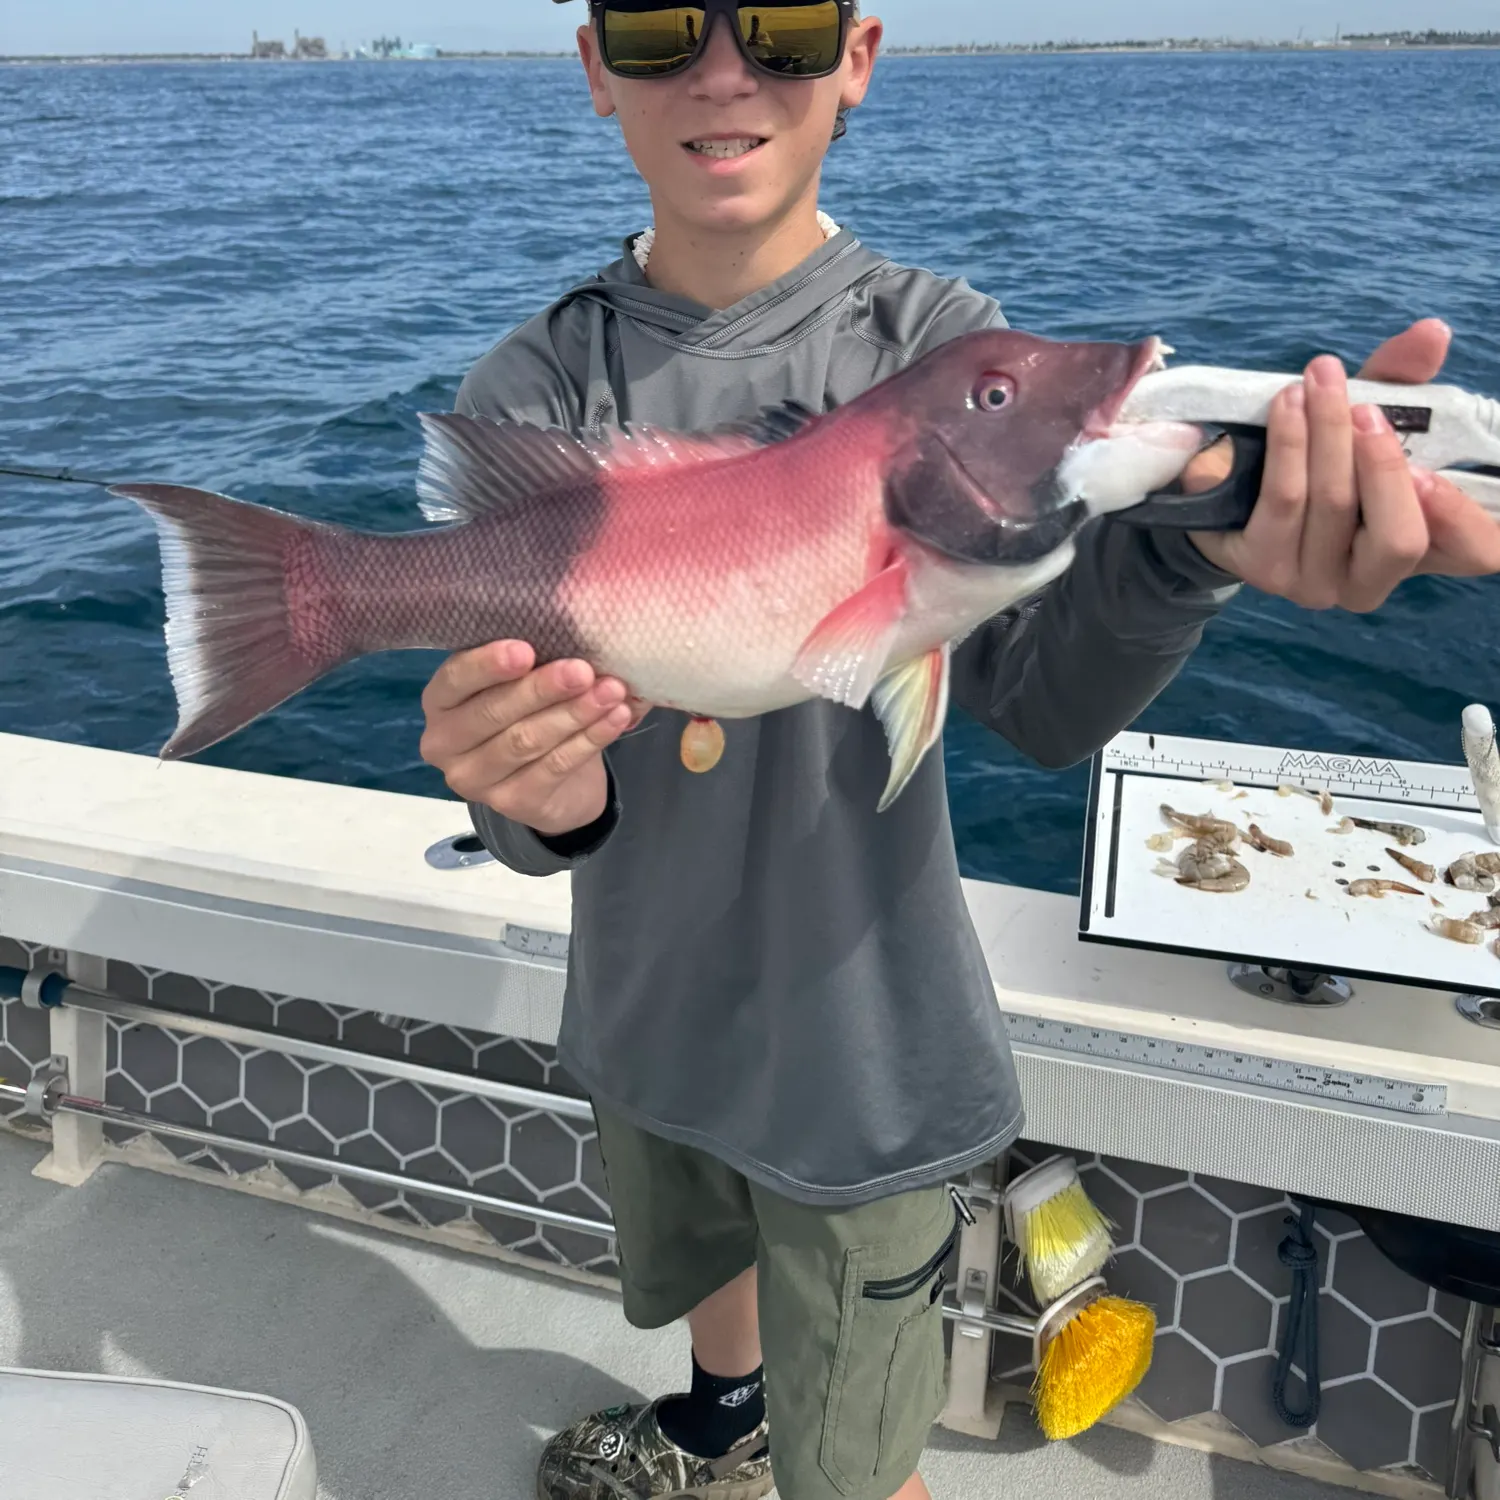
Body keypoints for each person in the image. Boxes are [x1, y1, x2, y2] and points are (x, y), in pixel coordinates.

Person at [419, 5, 1500, 1498]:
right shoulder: (531, 392)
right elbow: (529, 783)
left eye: (783, 24)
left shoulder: (941, 347)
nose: (725, 71)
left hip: (862, 1050)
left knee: (859, 1456)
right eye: (663, 23)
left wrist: (1186, 561)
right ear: (597, 64)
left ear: (856, 54)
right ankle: (726, 1412)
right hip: (643, 1007)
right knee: (714, 1275)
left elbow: (1043, 705)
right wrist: (537, 802)